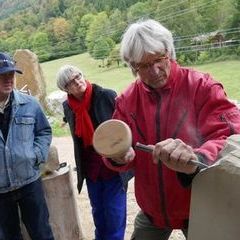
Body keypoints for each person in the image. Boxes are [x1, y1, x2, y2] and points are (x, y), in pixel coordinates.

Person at [101, 19, 240, 240]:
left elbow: (230, 135)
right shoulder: (127, 101)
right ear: (132, 67)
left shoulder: (201, 86)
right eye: (144, 66)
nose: (155, 70)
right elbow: (117, 144)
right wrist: (119, 157)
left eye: (159, 59)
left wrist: (197, 157)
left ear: (169, 52)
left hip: (199, 205)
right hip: (152, 210)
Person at [56, 65, 130, 240]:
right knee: (98, 213)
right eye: (71, 82)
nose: (77, 82)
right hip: (90, 169)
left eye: (78, 76)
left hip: (112, 165)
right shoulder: (68, 106)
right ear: (65, 89)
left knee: (114, 214)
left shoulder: (106, 95)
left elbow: (124, 125)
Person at [0, 52, 54, 239]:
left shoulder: (30, 104)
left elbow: (44, 132)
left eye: (11, 74)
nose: (8, 79)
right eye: (2, 75)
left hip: (29, 182)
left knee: (42, 233)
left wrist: (36, 155)